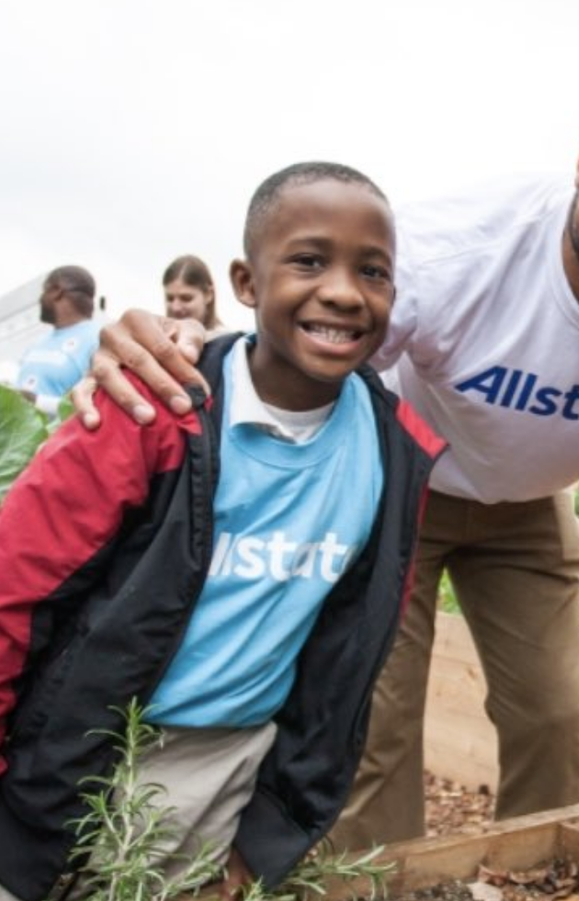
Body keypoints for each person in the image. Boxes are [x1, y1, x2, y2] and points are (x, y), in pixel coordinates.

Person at [76, 51, 579, 850]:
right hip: (403, 491)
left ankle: (535, 864)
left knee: (555, 717)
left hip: (534, 506)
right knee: (373, 720)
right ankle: (375, 875)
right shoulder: (452, 255)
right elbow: (297, 354)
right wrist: (190, 348)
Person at [0, 161, 443, 901]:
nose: (341, 289)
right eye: (308, 259)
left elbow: (343, 662)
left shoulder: (394, 453)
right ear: (246, 281)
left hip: (223, 768)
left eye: (372, 271)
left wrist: (269, 827)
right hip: (78, 749)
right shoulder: (152, 406)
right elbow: (18, 581)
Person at [15, 265, 102, 415]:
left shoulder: (98, 340)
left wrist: (37, 401)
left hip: (59, 437)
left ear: (56, 291)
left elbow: (97, 408)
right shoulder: (38, 343)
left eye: (44, 291)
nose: (40, 299)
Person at [163, 254, 229, 336]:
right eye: (170, 299)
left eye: (186, 298)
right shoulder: (157, 342)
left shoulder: (226, 343)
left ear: (208, 295)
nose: (176, 308)